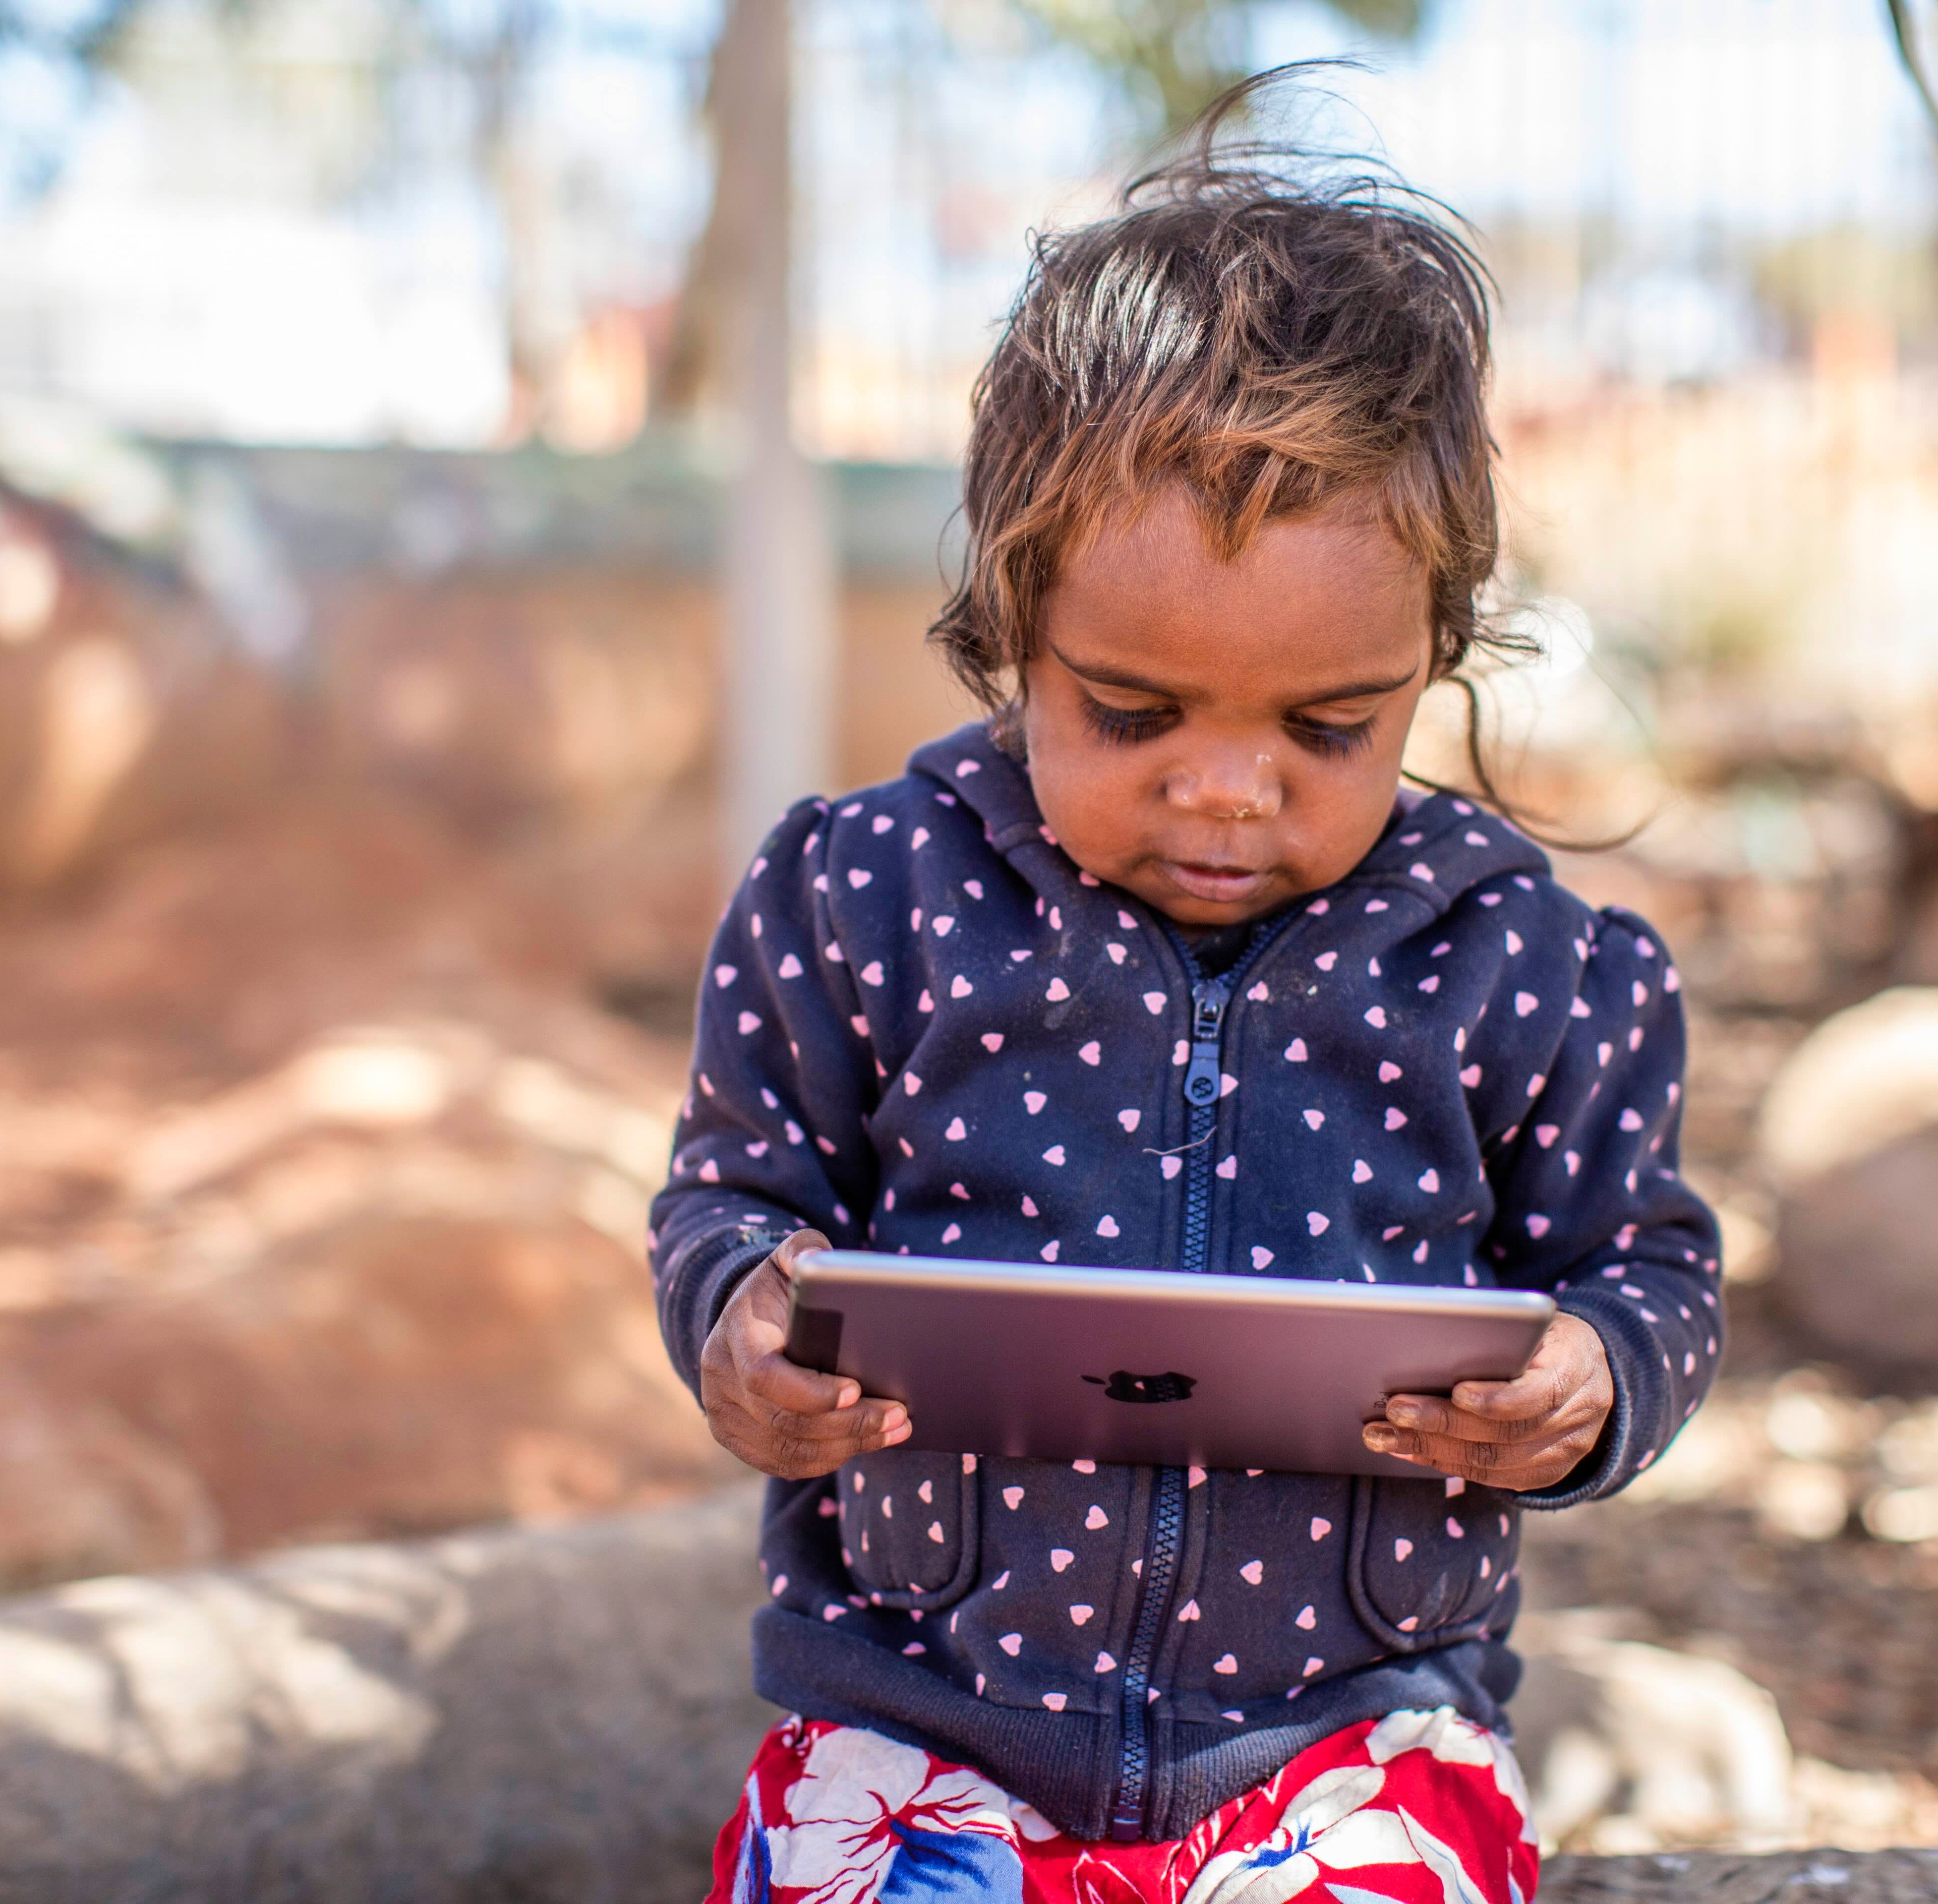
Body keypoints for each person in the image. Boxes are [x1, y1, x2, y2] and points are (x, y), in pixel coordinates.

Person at [649, 87, 1722, 1904]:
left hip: (1356, 1736)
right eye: (1132, 715)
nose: (1226, 791)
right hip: (921, 1721)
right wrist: (743, 1324)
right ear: (1009, 624)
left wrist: (1593, 1381)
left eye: (1329, 728)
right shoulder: (859, 896)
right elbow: (732, 1200)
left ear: (1434, 654)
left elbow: (1649, 1269)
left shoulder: (1533, 968)